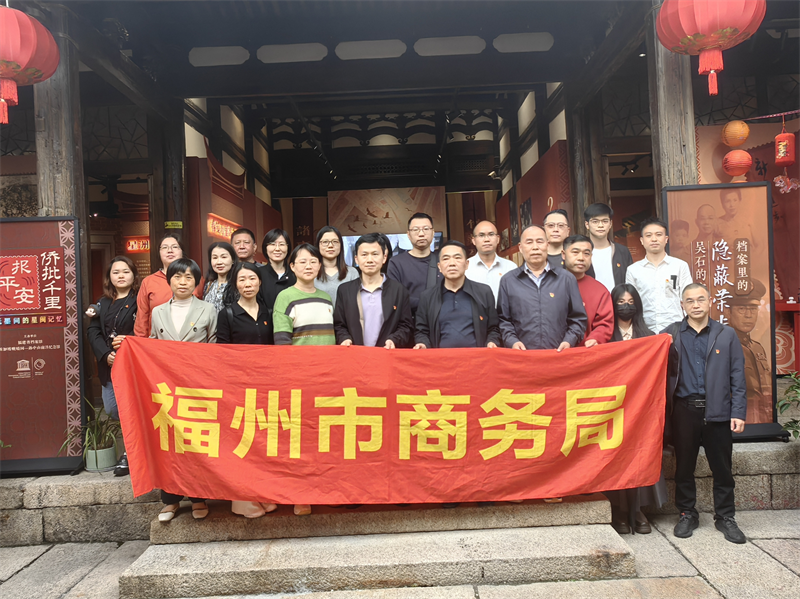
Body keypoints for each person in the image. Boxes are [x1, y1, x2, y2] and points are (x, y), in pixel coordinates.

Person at [663, 283, 747, 544]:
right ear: (682, 305)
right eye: (690, 301)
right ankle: (687, 513)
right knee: (684, 467)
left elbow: (737, 375)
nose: (696, 305)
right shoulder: (671, 334)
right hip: (684, 411)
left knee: (722, 468)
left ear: (710, 302)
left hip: (718, 410)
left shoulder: (726, 334)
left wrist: (738, 411)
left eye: (700, 299)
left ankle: (726, 516)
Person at [150, 257, 217, 522]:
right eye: (178, 277)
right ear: (169, 281)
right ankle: (171, 501)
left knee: (195, 441)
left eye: (189, 277)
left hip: (197, 386)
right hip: (166, 386)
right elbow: (151, 345)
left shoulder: (208, 309)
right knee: (169, 443)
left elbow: (214, 346)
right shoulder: (158, 312)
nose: (183, 282)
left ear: (197, 282)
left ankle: (198, 497)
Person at [273, 243, 334, 516]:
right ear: (292, 266)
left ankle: (323, 488)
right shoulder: (285, 297)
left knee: (324, 436)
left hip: (328, 379)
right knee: (299, 439)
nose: (309, 266)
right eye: (302, 261)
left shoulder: (326, 297)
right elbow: (282, 342)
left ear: (319, 265)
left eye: (313, 261)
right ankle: (301, 495)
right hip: (299, 379)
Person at [604, 284, 668, 534]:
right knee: (614, 457)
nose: (626, 306)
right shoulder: (605, 336)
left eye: (631, 302)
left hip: (641, 409)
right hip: (612, 407)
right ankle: (619, 510)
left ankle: (638, 509)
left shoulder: (648, 336)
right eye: (621, 302)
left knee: (640, 456)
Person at [217, 262, 277, 519]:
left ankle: (263, 494)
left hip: (266, 387)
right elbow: (222, 353)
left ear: (259, 282)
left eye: (252, 278)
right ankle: (242, 501)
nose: (248, 284)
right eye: (242, 280)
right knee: (242, 442)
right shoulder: (228, 314)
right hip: (239, 388)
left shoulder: (269, 311)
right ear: (235, 284)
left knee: (262, 442)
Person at [86, 256, 140, 477]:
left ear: (134, 275)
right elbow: (93, 331)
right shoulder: (102, 302)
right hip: (108, 364)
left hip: (133, 365)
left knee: (131, 409)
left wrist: (128, 342)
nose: (121, 276)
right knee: (111, 409)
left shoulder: (140, 300)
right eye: (116, 272)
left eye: (125, 271)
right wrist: (105, 354)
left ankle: (130, 453)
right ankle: (135, 445)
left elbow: (145, 328)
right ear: (109, 277)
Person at [497, 225, 587, 351]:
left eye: (540, 241)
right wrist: (512, 342)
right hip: (523, 355)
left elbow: (578, 318)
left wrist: (569, 341)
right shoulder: (508, 281)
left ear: (547, 245)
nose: (535, 247)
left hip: (559, 354)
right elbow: (503, 320)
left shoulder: (566, 279)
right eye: (529, 242)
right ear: (521, 248)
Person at [414, 240, 501, 349]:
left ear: (466, 264)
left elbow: (494, 328)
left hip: (476, 357)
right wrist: (422, 343)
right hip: (440, 358)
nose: (452, 263)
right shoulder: (427, 296)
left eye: (457, 258)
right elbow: (421, 331)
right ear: (439, 267)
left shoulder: (484, 292)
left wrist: (492, 342)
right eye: (446, 259)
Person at [334, 233, 413, 349]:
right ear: (356, 259)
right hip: (354, 354)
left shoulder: (399, 291)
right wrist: (344, 338)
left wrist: (394, 340)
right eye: (364, 255)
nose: (370, 260)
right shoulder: (345, 291)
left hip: (386, 354)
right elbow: (339, 325)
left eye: (375, 254)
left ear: (384, 258)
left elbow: (406, 326)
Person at [625, 217, 693, 334]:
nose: (654, 239)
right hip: (644, 331)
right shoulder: (633, 270)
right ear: (642, 240)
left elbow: (688, 298)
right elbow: (631, 303)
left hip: (676, 330)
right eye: (648, 235)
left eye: (658, 234)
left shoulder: (680, 266)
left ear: (666, 239)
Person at [134, 234, 201, 338]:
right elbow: (142, 318)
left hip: (191, 340)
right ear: (159, 253)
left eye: (175, 247)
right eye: (164, 247)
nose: (170, 250)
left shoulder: (197, 280)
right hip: (158, 341)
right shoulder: (148, 282)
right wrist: (140, 342)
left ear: (182, 251)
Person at [727, 279, 772, 423]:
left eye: (753, 309)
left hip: (762, 416)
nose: (748, 315)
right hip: (738, 416)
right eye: (741, 309)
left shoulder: (757, 347)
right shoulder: (724, 346)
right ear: (729, 312)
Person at [561, 235, 613, 347]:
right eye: (575, 252)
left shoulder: (600, 291)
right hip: (553, 350)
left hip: (586, 350)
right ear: (563, 254)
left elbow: (605, 323)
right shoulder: (549, 284)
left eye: (586, 253)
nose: (581, 258)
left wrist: (596, 338)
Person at [387, 212, 442, 317]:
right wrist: (430, 303)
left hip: (439, 322)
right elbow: (395, 297)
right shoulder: (396, 263)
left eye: (426, 229)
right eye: (416, 229)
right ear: (408, 234)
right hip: (409, 322)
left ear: (433, 232)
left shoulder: (442, 261)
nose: (421, 234)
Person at [584, 203, 633, 292]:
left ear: (610, 224)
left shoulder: (622, 251)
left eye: (605, 221)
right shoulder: (581, 252)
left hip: (617, 300)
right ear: (587, 224)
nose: (600, 225)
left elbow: (630, 281)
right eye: (595, 221)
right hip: (590, 299)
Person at [465, 220, 517, 302]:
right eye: (481, 235)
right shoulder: (465, 267)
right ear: (474, 240)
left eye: (491, 234)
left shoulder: (510, 267)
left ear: (498, 239)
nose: (486, 239)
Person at [315, 226, 359, 307]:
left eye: (335, 241)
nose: (330, 245)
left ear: (341, 245)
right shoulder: (311, 272)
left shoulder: (352, 273)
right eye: (325, 242)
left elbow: (356, 303)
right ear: (318, 245)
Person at [258, 229, 296, 311]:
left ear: (288, 248)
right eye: (272, 244)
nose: (277, 248)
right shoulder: (258, 274)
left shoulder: (295, 274)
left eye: (282, 244)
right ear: (265, 248)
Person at [202, 241, 237, 312]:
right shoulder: (209, 285)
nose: (219, 262)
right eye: (215, 258)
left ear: (233, 260)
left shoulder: (237, 285)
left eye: (224, 257)